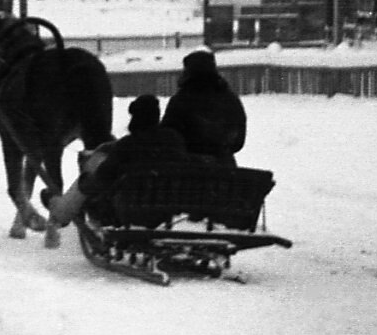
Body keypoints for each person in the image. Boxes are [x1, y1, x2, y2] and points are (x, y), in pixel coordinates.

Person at [48, 94, 186, 226]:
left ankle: (62, 211)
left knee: (87, 181)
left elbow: (103, 176)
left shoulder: (128, 145)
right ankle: (64, 208)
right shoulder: (174, 140)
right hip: (167, 206)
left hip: (131, 208)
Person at [161, 47, 247, 166]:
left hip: (188, 167)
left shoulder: (181, 100)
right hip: (224, 166)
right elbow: (238, 138)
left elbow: (168, 136)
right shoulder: (230, 99)